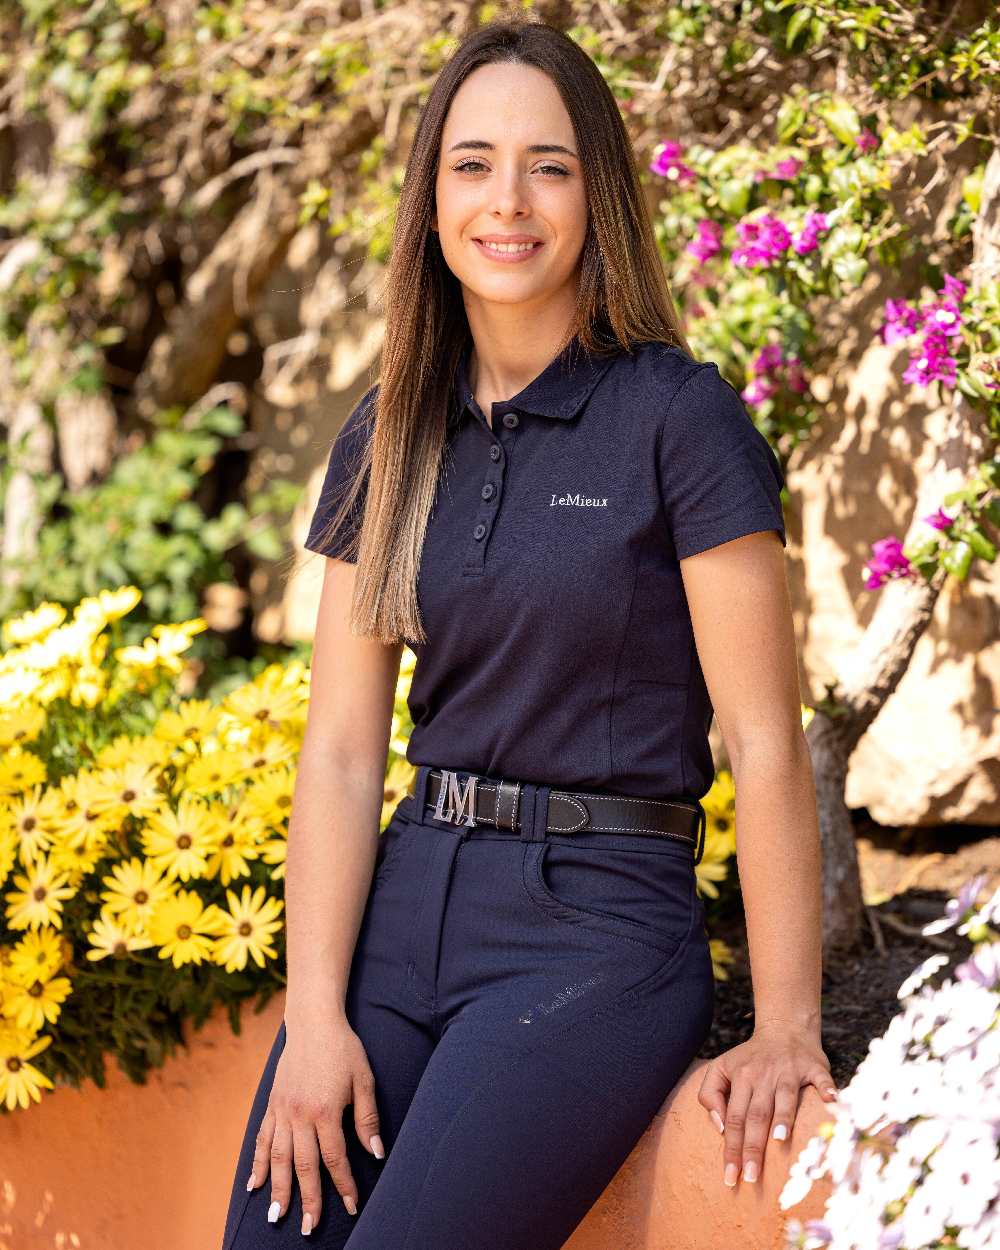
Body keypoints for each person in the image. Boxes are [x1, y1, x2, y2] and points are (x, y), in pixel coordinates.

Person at [219, 18, 835, 1250]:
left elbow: (766, 744)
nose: (508, 201)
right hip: (403, 915)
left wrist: (785, 1025)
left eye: (548, 166)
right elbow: (341, 753)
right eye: (473, 163)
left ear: (596, 193)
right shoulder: (386, 431)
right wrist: (316, 1014)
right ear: (432, 198)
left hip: (596, 933)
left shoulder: (677, 417)